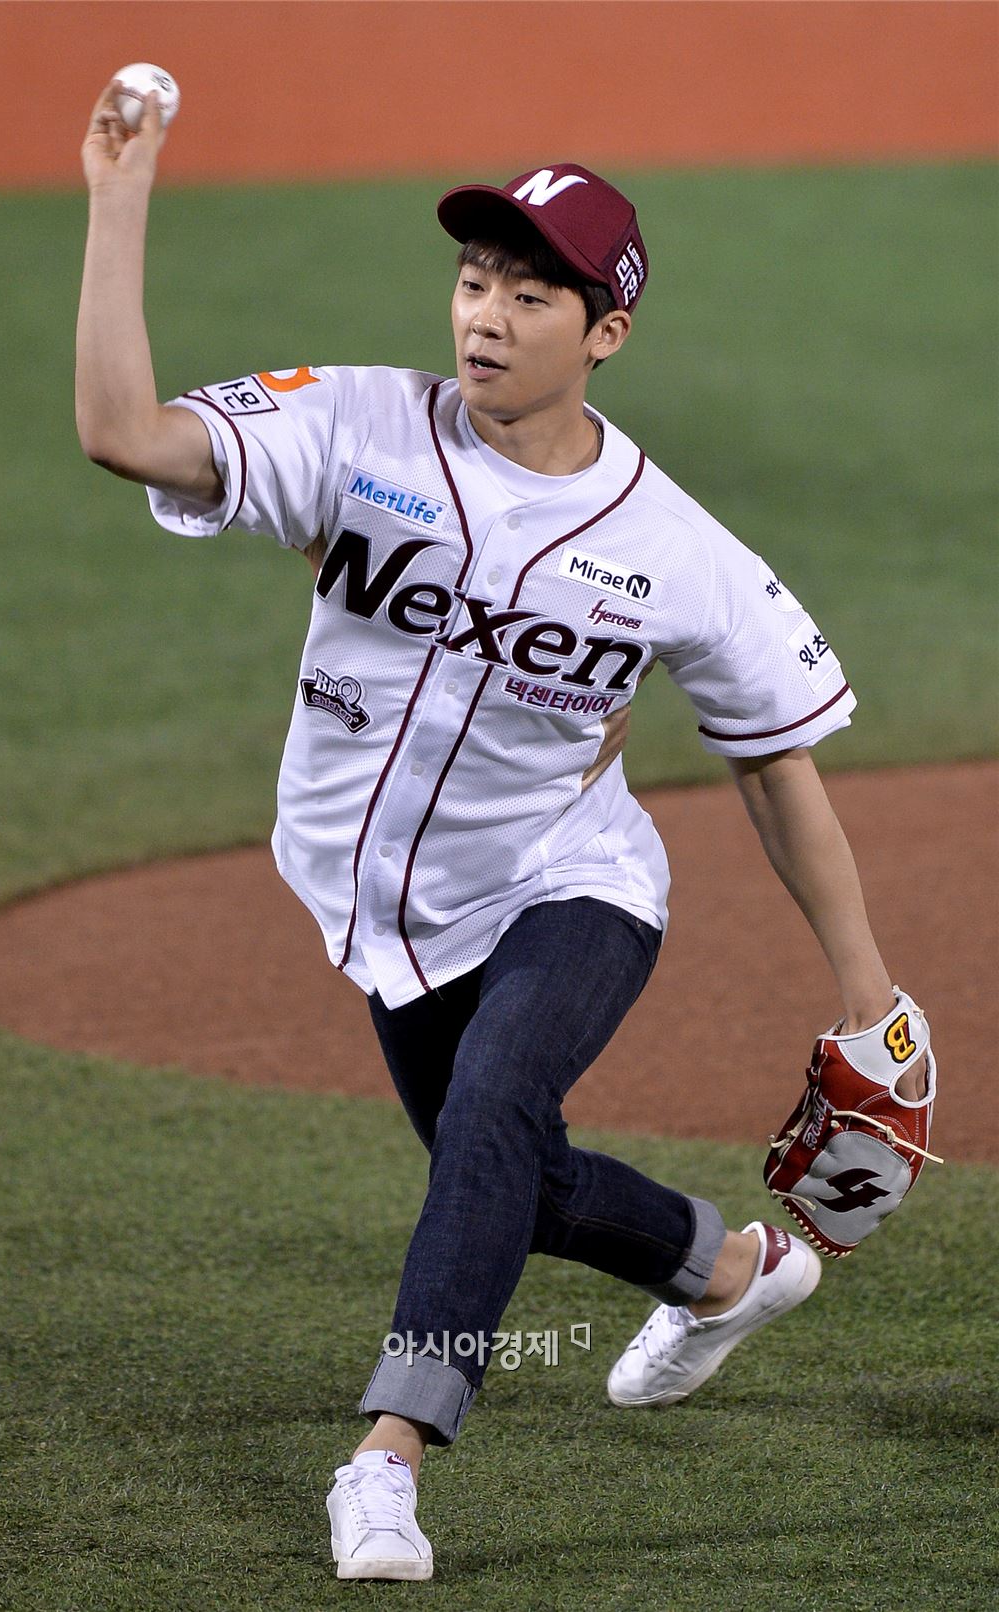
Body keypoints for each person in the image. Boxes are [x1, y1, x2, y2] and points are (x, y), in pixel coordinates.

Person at [77, 87, 932, 1584]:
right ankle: (731, 1271)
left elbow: (776, 767)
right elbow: (121, 436)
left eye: (533, 295)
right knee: (507, 1175)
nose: (486, 315)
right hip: (379, 901)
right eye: (476, 279)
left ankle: (389, 1456)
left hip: (572, 880)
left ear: (606, 332)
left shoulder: (676, 550)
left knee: (490, 1109)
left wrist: (870, 994)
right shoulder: (353, 425)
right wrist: (118, 192)